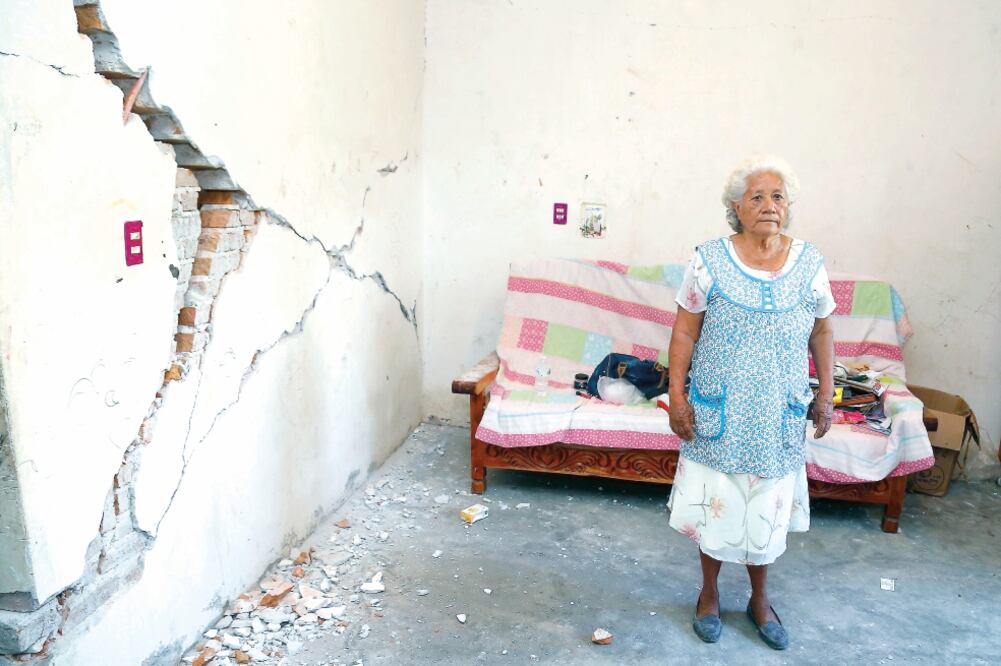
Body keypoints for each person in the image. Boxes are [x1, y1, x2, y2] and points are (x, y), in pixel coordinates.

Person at [666, 155, 835, 650]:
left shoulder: (809, 262)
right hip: (721, 408)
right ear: (736, 208)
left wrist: (825, 393)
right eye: (756, 197)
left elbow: (823, 328)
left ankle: (760, 600)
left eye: (777, 196)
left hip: (776, 412)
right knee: (715, 507)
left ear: (789, 207)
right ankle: (710, 593)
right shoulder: (709, 259)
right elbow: (683, 330)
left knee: (768, 509)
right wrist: (677, 396)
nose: (768, 205)